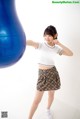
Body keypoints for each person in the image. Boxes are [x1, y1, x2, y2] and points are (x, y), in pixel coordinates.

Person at [27, 25, 73, 119]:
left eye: (49, 35)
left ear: (55, 35)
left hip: (52, 73)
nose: (46, 37)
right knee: (36, 100)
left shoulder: (56, 49)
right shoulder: (41, 45)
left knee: (51, 94)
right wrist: (19, 40)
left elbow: (70, 54)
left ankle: (48, 110)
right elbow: (31, 42)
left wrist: (59, 43)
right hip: (42, 75)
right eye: (45, 35)